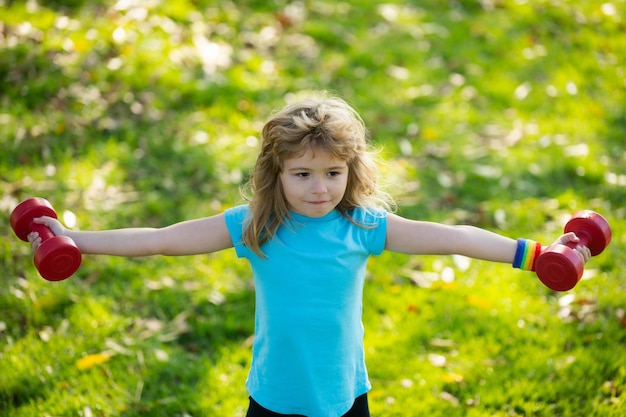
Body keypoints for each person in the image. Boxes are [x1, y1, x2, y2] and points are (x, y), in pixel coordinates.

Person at [27, 94, 591, 417]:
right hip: (273, 396)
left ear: (351, 171)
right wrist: (76, 238)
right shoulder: (256, 226)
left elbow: (452, 237)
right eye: (302, 174)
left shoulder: (363, 227)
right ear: (276, 173)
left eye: (332, 173)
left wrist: (535, 254)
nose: (319, 188)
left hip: (345, 393)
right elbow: (160, 239)